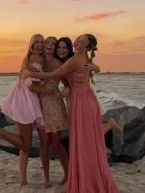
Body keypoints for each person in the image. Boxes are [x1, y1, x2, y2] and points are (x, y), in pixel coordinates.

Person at [23, 34, 120, 192]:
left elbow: (55, 75)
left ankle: (108, 126)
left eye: (81, 42)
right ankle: (83, 175)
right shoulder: (76, 58)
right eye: (78, 39)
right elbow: (82, 72)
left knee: (84, 139)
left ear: (86, 47)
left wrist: (30, 74)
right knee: (84, 140)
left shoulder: (74, 60)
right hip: (79, 100)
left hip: (82, 101)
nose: (77, 42)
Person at [0, 34, 47, 186]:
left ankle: (23, 180)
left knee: (25, 145)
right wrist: (50, 90)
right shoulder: (33, 59)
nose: (40, 45)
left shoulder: (34, 59)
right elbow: (30, 85)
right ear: (31, 44)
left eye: (42, 42)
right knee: (26, 145)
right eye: (37, 42)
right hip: (25, 101)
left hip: (30, 100)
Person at [56, 37, 122, 135]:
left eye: (64, 48)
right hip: (73, 98)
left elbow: (98, 68)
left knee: (87, 131)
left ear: (69, 49)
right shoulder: (59, 62)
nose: (61, 50)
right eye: (59, 47)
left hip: (84, 96)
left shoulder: (77, 58)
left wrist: (91, 67)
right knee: (79, 129)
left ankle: (109, 124)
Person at [31, 36, 69, 188]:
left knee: (56, 144)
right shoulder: (37, 61)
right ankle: (46, 177)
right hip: (40, 104)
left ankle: (68, 173)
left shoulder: (59, 64)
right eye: (48, 43)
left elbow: (68, 85)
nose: (50, 45)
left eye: (54, 44)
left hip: (54, 106)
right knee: (44, 144)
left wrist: (63, 93)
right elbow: (30, 83)